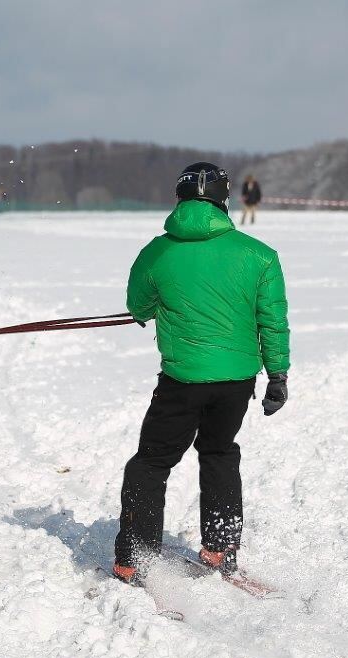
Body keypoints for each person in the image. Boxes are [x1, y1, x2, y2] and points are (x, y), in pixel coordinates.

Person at [113, 161, 290, 585]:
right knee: (219, 453)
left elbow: (137, 305)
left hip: (181, 380)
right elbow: (272, 320)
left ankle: (134, 558)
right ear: (224, 200)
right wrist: (278, 376)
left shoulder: (158, 250)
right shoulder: (259, 255)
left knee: (151, 463)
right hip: (236, 382)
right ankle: (220, 548)